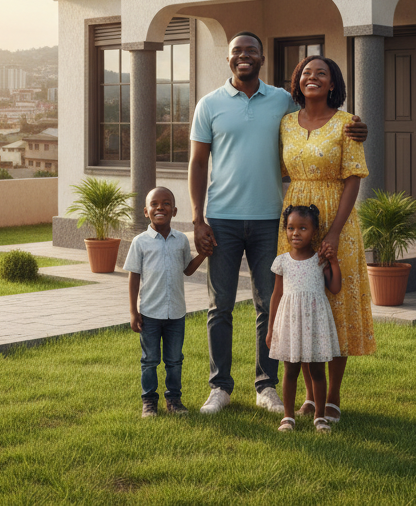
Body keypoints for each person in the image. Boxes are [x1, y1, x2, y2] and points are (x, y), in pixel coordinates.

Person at [189, 31, 367, 415]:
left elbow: (323, 118)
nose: (244, 56)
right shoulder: (210, 105)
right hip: (222, 218)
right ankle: (219, 387)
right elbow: (198, 162)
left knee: (271, 305)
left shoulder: (283, 103)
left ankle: (266, 385)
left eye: (251, 50)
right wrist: (197, 218)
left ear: (262, 57)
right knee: (219, 305)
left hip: (275, 219)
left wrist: (359, 128)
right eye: (237, 51)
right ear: (228, 59)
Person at [278, 54, 376, 424]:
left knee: (335, 305)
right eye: (306, 73)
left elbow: (354, 177)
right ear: (297, 82)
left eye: (322, 73)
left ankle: (331, 397)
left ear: (333, 83)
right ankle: (308, 394)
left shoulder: (347, 124)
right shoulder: (286, 123)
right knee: (301, 304)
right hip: (295, 220)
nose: (313, 77)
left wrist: (333, 231)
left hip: (338, 217)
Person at [126, 186, 210, 418]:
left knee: (174, 360)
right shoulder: (140, 242)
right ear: (146, 211)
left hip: (176, 314)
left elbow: (188, 270)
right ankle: (149, 402)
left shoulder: (181, 240)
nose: (159, 207)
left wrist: (203, 254)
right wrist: (133, 312)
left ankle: (174, 400)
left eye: (165, 204)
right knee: (150, 360)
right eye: (154, 204)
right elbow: (134, 279)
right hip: (150, 314)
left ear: (174, 210)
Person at [265, 204, 342, 433]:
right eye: (290, 228)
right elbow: (276, 295)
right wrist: (271, 329)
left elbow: (335, 287)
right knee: (290, 371)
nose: (295, 233)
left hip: (315, 324)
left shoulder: (320, 259)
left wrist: (334, 261)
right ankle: (288, 417)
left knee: (318, 371)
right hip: (290, 324)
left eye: (302, 228)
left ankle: (320, 417)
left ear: (314, 231)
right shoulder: (282, 261)